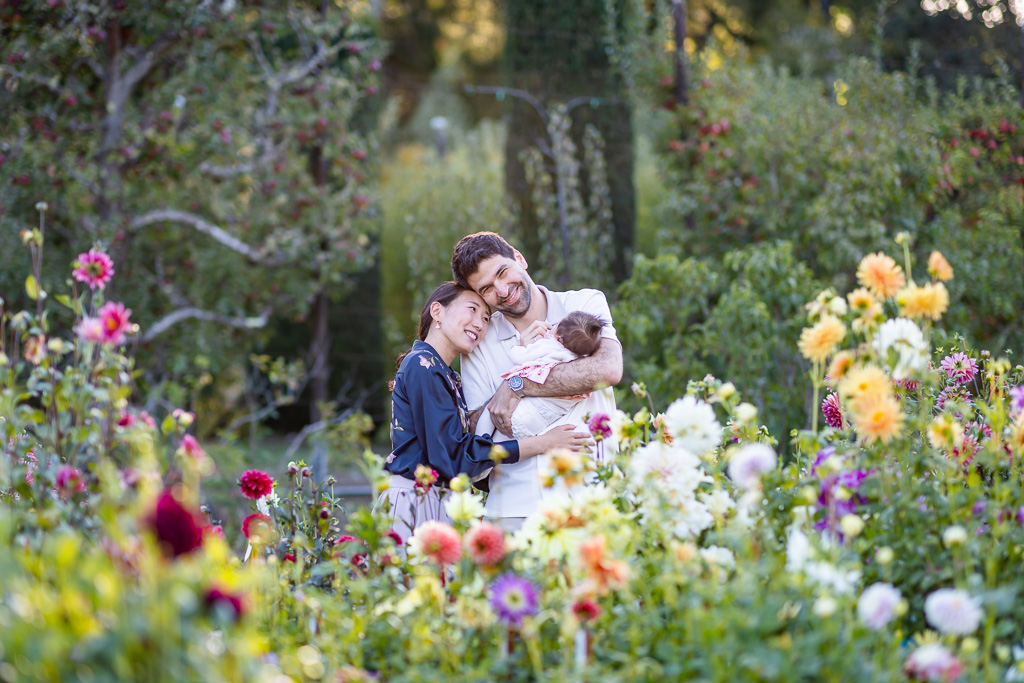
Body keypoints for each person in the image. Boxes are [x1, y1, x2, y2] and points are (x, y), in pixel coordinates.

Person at [376, 281, 590, 542]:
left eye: (486, 317)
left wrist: (528, 354)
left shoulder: (443, 373)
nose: (479, 323)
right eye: (472, 309)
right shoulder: (422, 365)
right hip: (415, 502)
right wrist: (542, 443)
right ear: (437, 311)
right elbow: (454, 457)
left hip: (437, 501)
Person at [452, 233, 623, 531]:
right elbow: (476, 431)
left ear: (519, 258)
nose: (503, 291)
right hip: (516, 510)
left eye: (503, 273)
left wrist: (518, 383)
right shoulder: (480, 342)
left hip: (594, 495)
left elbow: (607, 369)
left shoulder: (584, 303)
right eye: (487, 289)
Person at [490, 311, 607, 440]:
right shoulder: (579, 359)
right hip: (541, 421)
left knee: (490, 411)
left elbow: (518, 356)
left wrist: (521, 346)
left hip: (522, 414)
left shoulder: (549, 345)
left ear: (559, 339)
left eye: (556, 325)